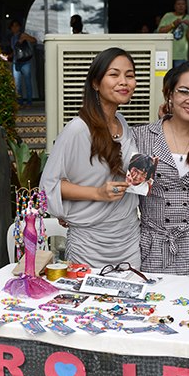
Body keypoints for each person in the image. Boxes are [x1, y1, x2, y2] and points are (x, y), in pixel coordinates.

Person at [40, 48, 141, 268]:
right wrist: (97, 193)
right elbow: (49, 186)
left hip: (128, 238)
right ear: (96, 83)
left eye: (130, 75)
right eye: (114, 74)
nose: (124, 82)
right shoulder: (78, 129)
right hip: (90, 243)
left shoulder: (122, 122)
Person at [131, 61, 189, 276]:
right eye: (184, 91)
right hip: (153, 247)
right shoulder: (142, 137)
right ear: (169, 93)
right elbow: (129, 191)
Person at [157, 0, 189, 68]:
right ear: (174, 6)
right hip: (167, 53)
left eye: (183, 4)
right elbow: (160, 32)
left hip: (181, 56)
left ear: (186, 6)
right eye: (178, 4)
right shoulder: (168, 16)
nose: (181, 6)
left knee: (179, 74)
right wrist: (173, 24)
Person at [8, 19, 37, 106]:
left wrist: (25, 38)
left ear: (19, 27)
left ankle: (29, 102)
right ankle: (20, 102)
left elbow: (34, 40)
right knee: (17, 84)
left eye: (16, 26)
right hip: (16, 61)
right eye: (13, 26)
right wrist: (8, 56)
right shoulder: (12, 38)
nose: (15, 28)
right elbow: (15, 50)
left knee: (28, 82)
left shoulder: (23, 35)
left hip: (25, 61)